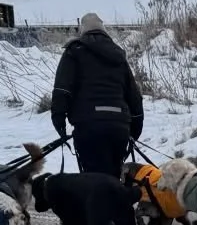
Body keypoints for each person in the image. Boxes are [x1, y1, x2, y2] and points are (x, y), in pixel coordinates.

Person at [50, 13, 144, 177]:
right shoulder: (118, 55)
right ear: (104, 30)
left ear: (82, 30)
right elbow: (134, 97)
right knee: (114, 178)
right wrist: (134, 132)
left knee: (93, 180)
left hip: (88, 126)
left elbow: (61, 90)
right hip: (119, 126)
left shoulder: (74, 51)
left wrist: (59, 123)